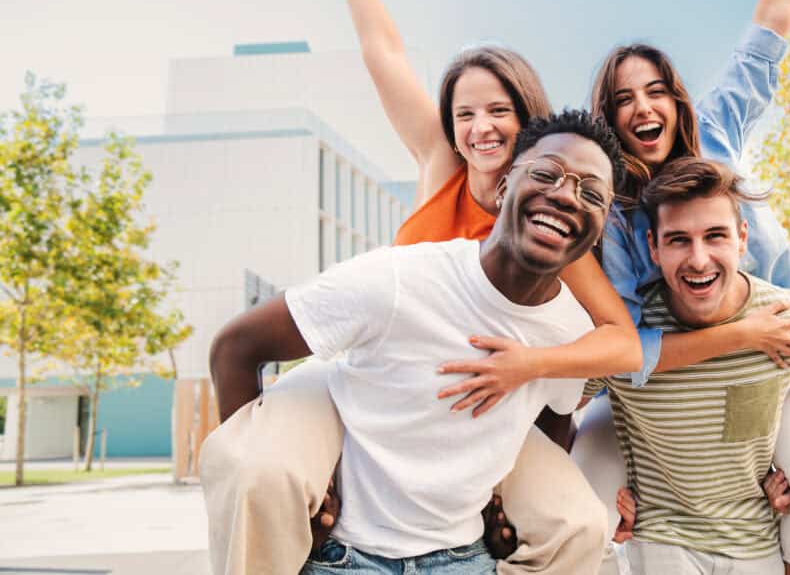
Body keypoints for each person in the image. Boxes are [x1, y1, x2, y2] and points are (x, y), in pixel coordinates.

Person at [203, 112, 631, 575]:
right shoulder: (396, 280)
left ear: (601, 223)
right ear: (504, 186)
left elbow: (554, 413)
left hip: (465, 559)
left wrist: (511, 500)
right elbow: (235, 348)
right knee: (260, 473)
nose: (567, 195)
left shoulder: (570, 334)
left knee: (583, 525)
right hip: (341, 555)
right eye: (547, 174)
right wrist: (267, 479)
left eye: (591, 193)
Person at [572, 0, 790, 573]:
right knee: (587, 501)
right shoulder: (615, 220)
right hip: (655, 403)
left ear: (676, 98)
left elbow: (768, 30)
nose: (641, 105)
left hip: (762, 376)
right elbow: (621, 350)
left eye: (653, 90)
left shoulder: (723, 133)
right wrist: (736, 334)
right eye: (621, 99)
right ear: (611, 122)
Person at [583, 157, 790, 574]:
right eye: (679, 240)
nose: (699, 260)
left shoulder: (787, 320)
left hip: (755, 538)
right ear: (654, 247)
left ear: (742, 238)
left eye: (715, 236)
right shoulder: (626, 334)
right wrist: (599, 493)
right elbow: (560, 403)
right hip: (663, 537)